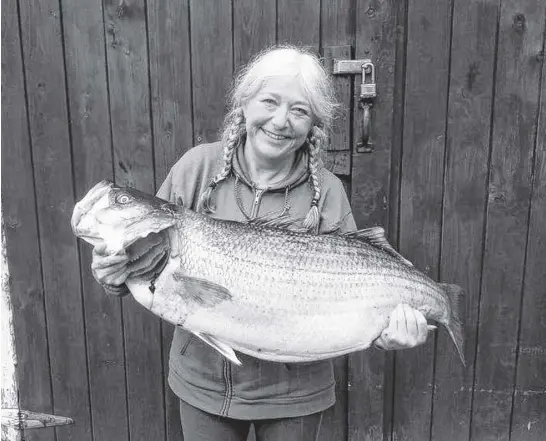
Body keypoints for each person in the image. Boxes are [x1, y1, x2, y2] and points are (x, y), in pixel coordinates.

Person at [91, 45, 430, 441]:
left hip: (296, 396)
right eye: (269, 101)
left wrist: (386, 331)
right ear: (245, 103)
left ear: (312, 125)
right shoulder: (196, 167)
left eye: (299, 111)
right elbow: (147, 262)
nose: (280, 121)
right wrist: (111, 274)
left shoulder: (329, 192)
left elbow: (354, 288)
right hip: (203, 387)